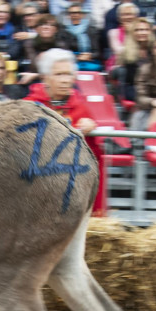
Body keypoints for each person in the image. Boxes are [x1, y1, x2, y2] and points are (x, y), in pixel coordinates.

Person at [22, 47, 107, 216]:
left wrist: (91, 131)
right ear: (45, 78)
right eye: (59, 74)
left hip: (71, 192)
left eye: (68, 74)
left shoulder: (82, 109)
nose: (65, 80)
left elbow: (95, 159)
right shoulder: (28, 107)